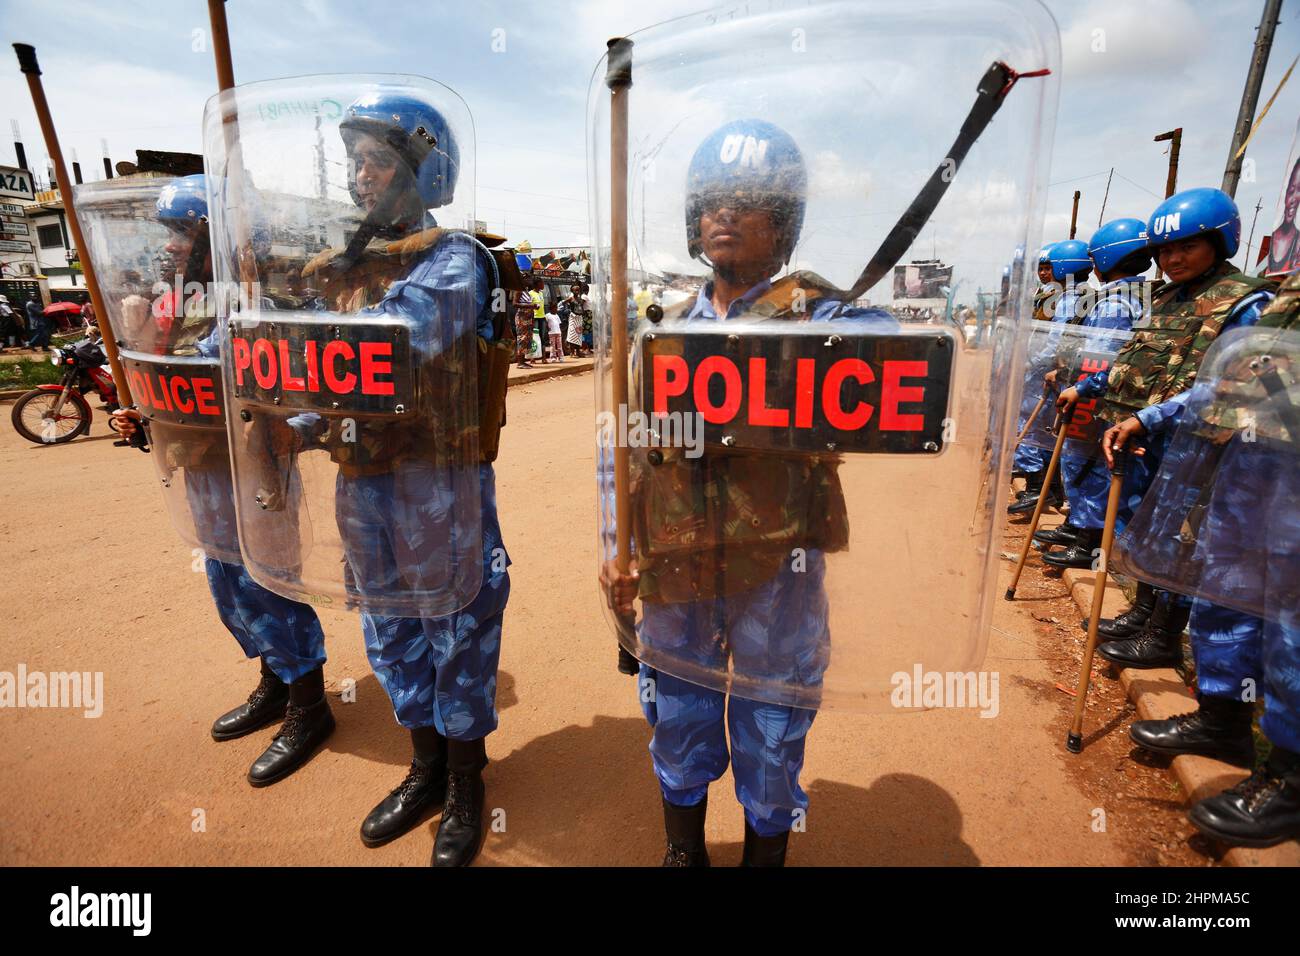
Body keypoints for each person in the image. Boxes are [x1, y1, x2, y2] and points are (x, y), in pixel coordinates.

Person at [602, 119, 895, 867]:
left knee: (772, 717)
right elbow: (629, 449)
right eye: (710, 202)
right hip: (674, 560)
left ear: (783, 220)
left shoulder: (821, 311)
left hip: (778, 568)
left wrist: (819, 335)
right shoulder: (661, 326)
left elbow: (896, 361)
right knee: (679, 709)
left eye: (747, 200)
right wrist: (617, 549)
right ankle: (683, 853)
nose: (723, 214)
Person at [290, 91, 511, 866]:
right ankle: (424, 765)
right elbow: (312, 384)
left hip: (436, 486)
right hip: (363, 483)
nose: (359, 176)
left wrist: (300, 341)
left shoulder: (456, 262)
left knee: (457, 632)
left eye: (376, 160)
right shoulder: (345, 268)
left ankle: (465, 779)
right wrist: (279, 422)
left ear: (424, 170)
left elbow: (392, 341)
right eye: (353, 161)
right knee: (388, 630)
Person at [105, 175, 332, 787]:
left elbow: (316, 385)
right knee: (228, 582)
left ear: (219, 241)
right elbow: (165, 385)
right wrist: (138, 415)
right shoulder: (172, 307)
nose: (172, 246)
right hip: (201, 469)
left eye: (185, 233)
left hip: (254, 468)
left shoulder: (268, 302)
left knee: (270, 582)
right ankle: (274, 682)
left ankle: (310, 706)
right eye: (170, 233)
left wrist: (295, 427)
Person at [1056, 187, 1274, 701]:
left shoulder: (1246, 303)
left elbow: (1236, 382)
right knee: (1150, 528)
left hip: (1208, 445)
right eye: (1163, 251)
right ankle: (1142, 614)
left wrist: (1151, 416)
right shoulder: (1165, 298)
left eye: (1186, 248)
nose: (1172, 259)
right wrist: (1085, 385)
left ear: (1219, 243)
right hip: (1151, 442)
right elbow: (1135, 360)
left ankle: (1162, 636)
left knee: (1183, 537)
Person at [1036, 219, 1152, 566]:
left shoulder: (1115, 303)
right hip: (1104, 393)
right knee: (1091, 465)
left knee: (1084, 463)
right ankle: (1079, 528)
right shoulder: (1135, 295)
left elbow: (1101, 358)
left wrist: (1080, 386)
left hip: (1095, 396)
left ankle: (1087, 541)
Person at [1008, 240, 1090, 516]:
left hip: (1052, 374)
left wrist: (1027, 363)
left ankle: (1039, 489)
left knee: (1034, 429)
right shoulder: (1063, 295)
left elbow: (1054, 342)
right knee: (1049, 434)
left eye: (1049, 267)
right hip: (1055, 373)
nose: (1045, 273)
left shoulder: (1069, 300)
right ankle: (1047, 490)